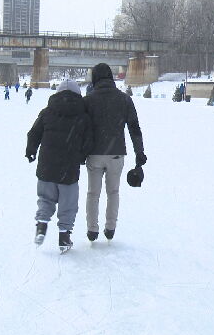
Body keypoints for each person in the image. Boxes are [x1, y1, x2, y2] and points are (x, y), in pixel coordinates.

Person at [26, 79, 93, 253]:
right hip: (69, 168)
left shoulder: (47, 112)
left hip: (47, 165)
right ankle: (64, 237)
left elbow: (34, 133)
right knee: (68, 203)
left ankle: (41, 225)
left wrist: (31, 150)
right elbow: (89, 141)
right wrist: (81, 157)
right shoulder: (83, 116)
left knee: (45, 198)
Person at [83, 63, 146, 242]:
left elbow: (81, 128)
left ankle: (92, 229)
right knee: (113, 192)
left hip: (94, 153)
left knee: (93, 193)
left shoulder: (88, 100)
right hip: (116, 152)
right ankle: (110, 228)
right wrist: (139, 152)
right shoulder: (124, 99)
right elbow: (134, 128)